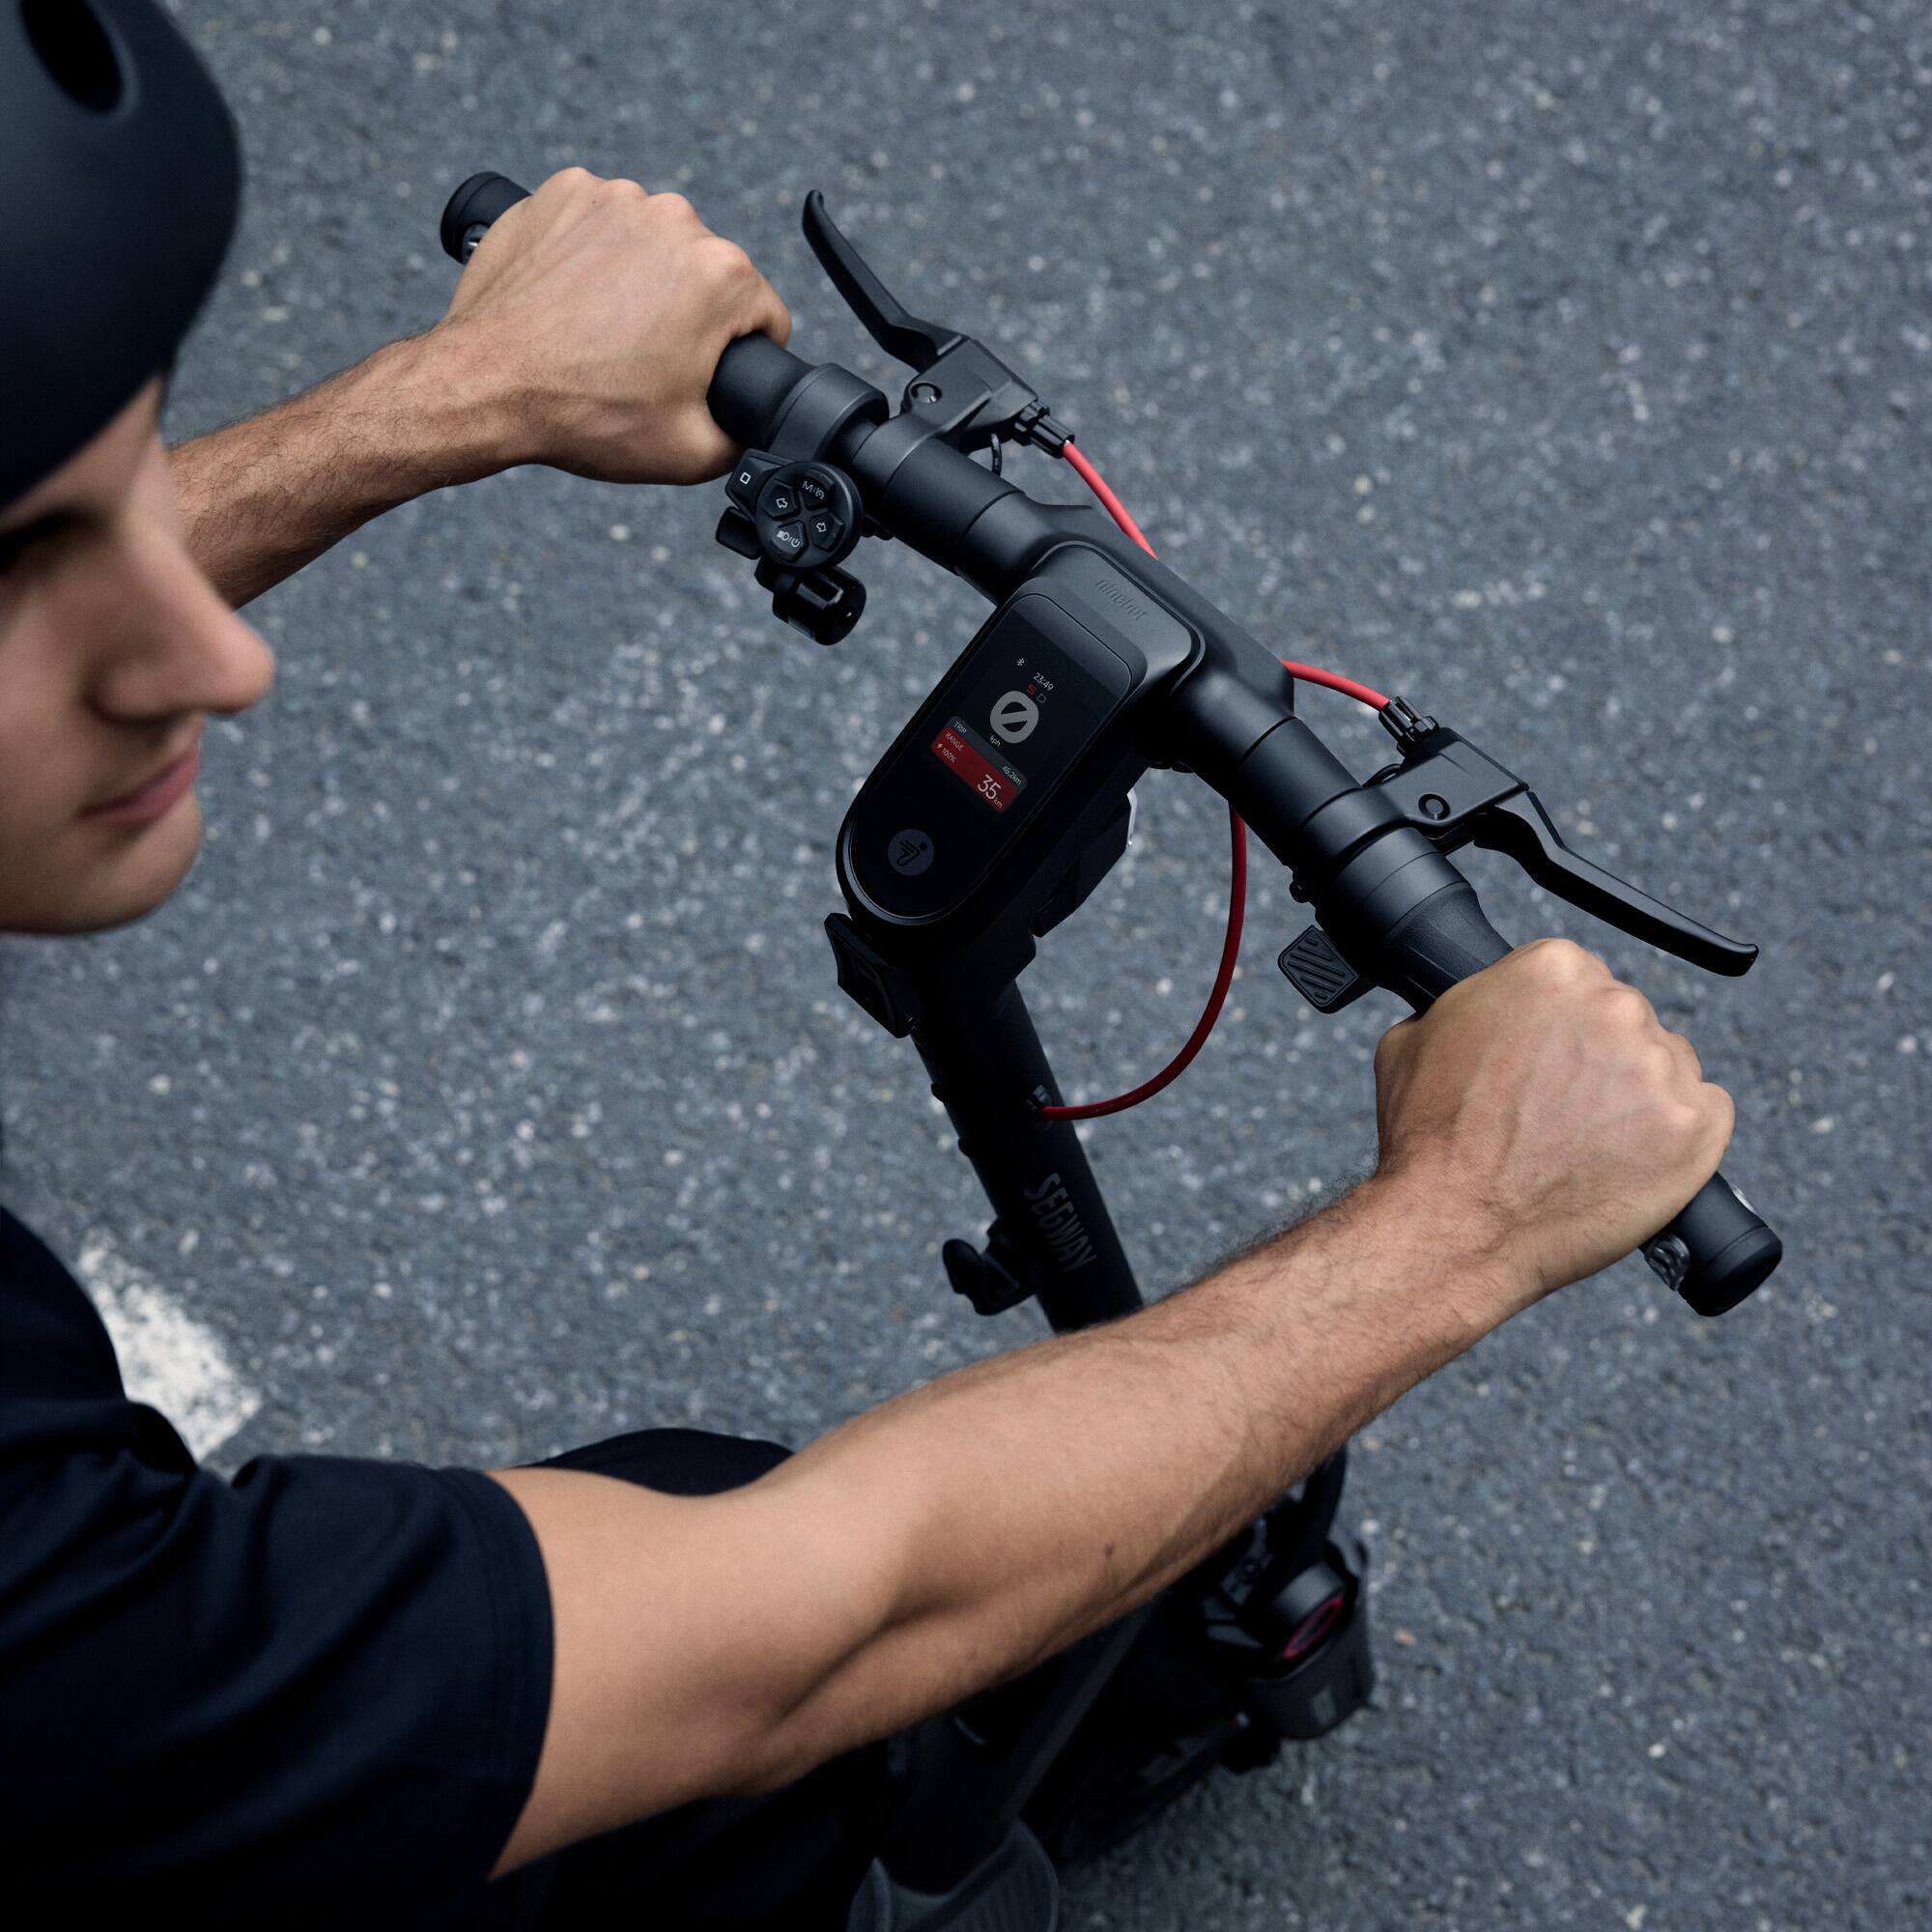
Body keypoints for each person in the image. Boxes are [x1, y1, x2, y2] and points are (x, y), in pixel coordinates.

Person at [0, 3, 1737, 1923]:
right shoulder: (51, 1611)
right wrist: (1465, 1218)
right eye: (34, 565)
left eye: (124, 488)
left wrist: (450, 393)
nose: (218, 659)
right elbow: (808, 1629)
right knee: (753, 1743)